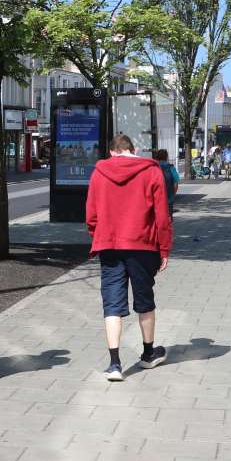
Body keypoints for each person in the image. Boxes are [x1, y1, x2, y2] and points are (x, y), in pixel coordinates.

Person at [85, 135, 173, 382]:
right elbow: (162, 215)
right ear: (134, 150)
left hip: (110, 244)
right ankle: (148, 354)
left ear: (112, 152)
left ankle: (114, 364)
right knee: (145, 299)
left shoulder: (99, 172)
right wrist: (164, 248)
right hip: (143, 245)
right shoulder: (151, 171)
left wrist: (99, 235)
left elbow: (91, 214)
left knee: (112, 303)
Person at [152, 150, 180, 218]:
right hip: (169, 198)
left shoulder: (153, 167)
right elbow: (176, 182)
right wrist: (173, 195)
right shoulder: (171, 167)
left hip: (156, 198)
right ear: (166, 157)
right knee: (168, 218)